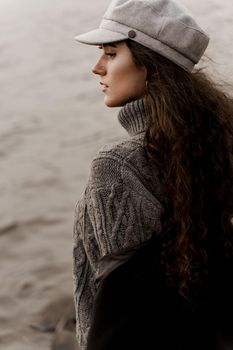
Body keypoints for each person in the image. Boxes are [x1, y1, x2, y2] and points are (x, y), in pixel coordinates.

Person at [73, 0, 233, 349]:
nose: (97, 68)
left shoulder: (117, 165)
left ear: (152, 66)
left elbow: (120, 320)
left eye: (111, 54)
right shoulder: (216, 145)